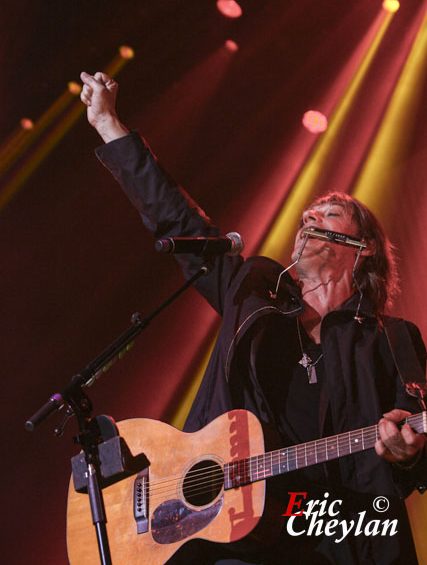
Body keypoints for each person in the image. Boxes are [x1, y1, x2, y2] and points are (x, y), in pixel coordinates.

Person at [80, 71, 427, 564]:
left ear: (364, 247)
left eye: (329, 214)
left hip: (343, 538)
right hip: (242, 537)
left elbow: (417, 445)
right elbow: (182, 223)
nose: (311, 219)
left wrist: (408, 451)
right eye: (308, 215)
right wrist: (109, 125)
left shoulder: (393, 339)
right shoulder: (254, 300)